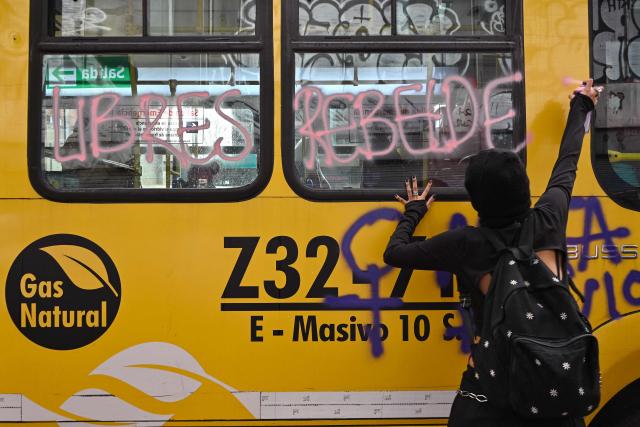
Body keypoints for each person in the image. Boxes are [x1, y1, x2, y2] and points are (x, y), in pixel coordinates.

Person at [383, 80, 601, 427]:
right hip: (556, 389)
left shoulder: (466, 244)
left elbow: (394, 254)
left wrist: (414, 210)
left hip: (494, 393)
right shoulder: (550, 216)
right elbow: (567, 162)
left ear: (475, 200)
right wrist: (582, 105)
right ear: (526, 188)